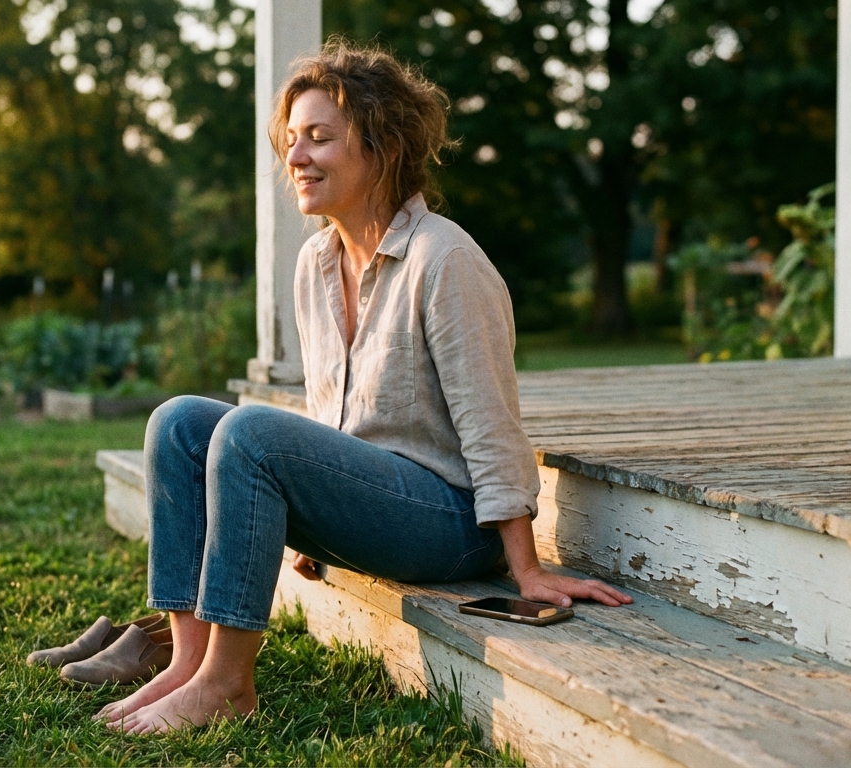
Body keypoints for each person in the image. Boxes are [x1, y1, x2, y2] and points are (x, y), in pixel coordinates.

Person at [94, 40, 631, 736]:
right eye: (292, 140)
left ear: (380, 147)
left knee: (250, 430)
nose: (295, 158)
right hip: (375, 503)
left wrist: (525, 568)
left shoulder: (446, 260)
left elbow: (491, 423)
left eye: (320, 138)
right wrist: (313, 511)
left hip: (451, 524)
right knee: (180, 421)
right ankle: (191, 663)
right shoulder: (316, 262)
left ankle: (229, 684)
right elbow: (333, 413)